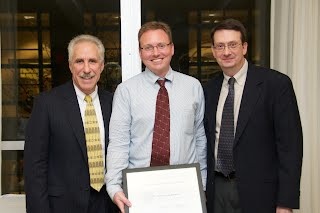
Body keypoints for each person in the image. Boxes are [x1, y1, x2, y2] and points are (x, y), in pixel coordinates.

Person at [106, 21, 207, 212]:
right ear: (140, 52)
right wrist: (114, 186)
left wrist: (201, 184)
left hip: (184, 190)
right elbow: (119, 142)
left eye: (161, 45)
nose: (155, 53)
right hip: (140, 192)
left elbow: (199, 139)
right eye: (148, 47)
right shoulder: (125, 91)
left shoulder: (193, 87)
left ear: (172, 48)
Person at [204, 18, 303, 213]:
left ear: (244, 47)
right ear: (214, 51)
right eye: (220, 46)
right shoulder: (209, 89)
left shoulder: (275, 84)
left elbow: (290, 147)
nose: (226, 52)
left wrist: (285, 202)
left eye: (233, 45)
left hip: (260, 193)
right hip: (217, 190)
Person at [24, 34, 117, 213]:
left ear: (102, 65)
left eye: (93, 61)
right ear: (70, 66)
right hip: (63, 206)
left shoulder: (114, 103)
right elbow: (35, 167)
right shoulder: (47, 104)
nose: (87, 69)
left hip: (107, 204)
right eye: (79, 61)